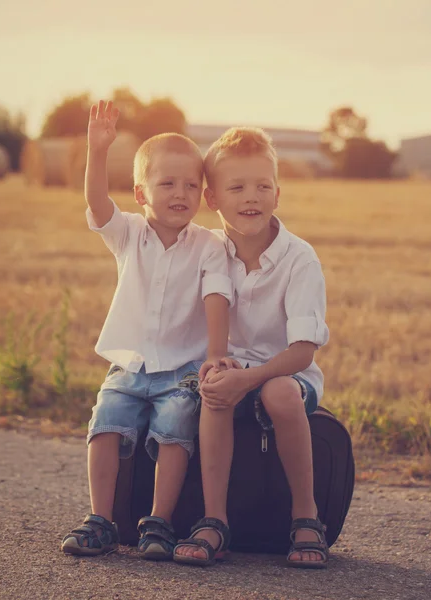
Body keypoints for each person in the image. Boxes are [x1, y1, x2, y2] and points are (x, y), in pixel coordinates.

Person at [61, 101, 233, 560]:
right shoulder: (129, 234)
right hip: (129, 363)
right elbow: (97, 204)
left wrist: (216, 353)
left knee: (176, 426)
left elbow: (218, 296)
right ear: (141, 193)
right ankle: (100, 520)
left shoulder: (209, 246)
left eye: (192, 185)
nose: (181, 193)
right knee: (106, 420)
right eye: (168, 183)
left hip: (182, 369)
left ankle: (159, 522)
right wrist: (97, 152)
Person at [173, 127, 330, 568]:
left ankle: (306, 517)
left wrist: (250, 377)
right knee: (215, 383)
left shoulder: (300, 259)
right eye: (237, 187)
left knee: (276, 391)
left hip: (287, 376)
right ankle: (214, 521)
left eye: (263, 186)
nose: (252, 197)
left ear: (278, 194)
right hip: (232, 370)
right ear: (213, 199)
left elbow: (303, 352)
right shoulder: (207, 251)